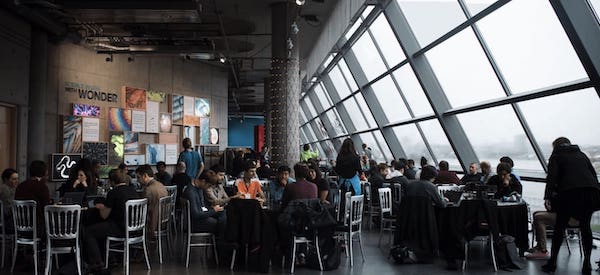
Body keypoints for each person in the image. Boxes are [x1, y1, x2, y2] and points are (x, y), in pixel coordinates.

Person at [541, 137, 600, 274]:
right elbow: (593, 175)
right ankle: (587, 263)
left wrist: (548, 196)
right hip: (591, 194)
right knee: (586, 227)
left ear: (556, 146)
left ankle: (552, 263)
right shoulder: (581, 154)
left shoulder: (556, 156)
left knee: (559, 227)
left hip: (569, 194)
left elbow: (552, 178)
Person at [83, 169, 138, 271]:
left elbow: (104, 216)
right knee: (101, 228)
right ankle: (110, 257)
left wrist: (101, 207)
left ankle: (98, 263)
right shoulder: (132, 190)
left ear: (111, 181)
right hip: (134, 228)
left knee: (89, 232)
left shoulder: (113, 193)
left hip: (120, 227)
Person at [181, 171, 226, 235]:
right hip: (194, 223)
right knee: (221, 223)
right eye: (209, 185)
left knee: (223, 213)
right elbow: (196, 214)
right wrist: (213, 211)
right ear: (203, 181)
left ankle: (220, 239)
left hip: (200, 216)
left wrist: (212, 209)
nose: (208, 188)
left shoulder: (199, 189)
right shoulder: (191, 192)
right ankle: (220, 240)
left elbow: (202, 207)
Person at [135, 164, 168, 237]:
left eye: (138, 177)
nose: (137, 180)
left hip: (152, 224)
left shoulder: (148, 190)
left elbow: (141, 210)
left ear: (145, 176)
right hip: (163, 221)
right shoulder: (161, 185)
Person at [15, 160, 50, 227]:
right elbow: (46, 207)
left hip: (20, 224)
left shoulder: (20, 186)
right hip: (38, 226)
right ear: (44, 172)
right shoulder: (42, 186)